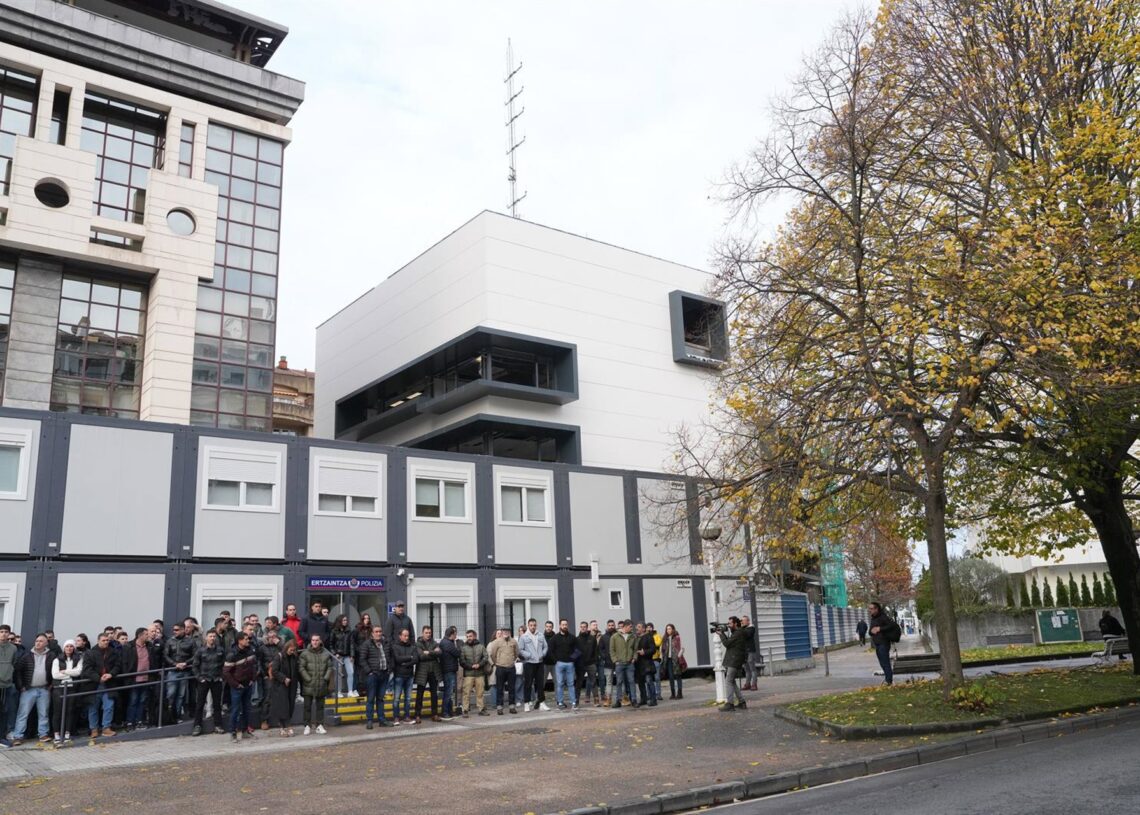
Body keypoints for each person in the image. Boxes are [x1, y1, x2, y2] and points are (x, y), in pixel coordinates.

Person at [8, 633, 53, 745]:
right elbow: (17, 671)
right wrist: (21, 686)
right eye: (37, 641)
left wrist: (51, 685)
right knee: (23, 713)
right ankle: (18, 736)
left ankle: (43, 734)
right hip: (28, 689)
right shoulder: (27, 655)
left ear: (46, 643)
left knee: (44, 713)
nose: (38, 643)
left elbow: (54, 671)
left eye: (41, 641)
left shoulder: (51, 656)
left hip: (44, 689)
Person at [120, 626, 160, 731]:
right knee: (133, 701)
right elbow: (124, 663)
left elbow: (153, 661)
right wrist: (127, 677)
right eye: (146, 634)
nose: (148, 636)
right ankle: (130, 722)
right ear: (140, 636)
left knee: (142, 701)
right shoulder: (129, 646)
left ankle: (139, 721)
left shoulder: (149, 646)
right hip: (134, 679)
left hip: (146, 678)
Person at [82, 632, 121, 737]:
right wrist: (98, 678)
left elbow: (118, 665)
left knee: (109, 706)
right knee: (93, 707)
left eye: (107, 640)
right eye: (103, 640)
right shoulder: (90, 653)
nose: (106, 642)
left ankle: (106, 728)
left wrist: (111, 674)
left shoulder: (113, 652)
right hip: (94, 684)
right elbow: (87, 670)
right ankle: (94, 729)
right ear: (98, 640)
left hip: (109, 683)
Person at [223, 631, 258, 742]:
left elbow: (253, 666)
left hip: (248, 684)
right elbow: (226, 673)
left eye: (248, 639)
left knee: (247, 709)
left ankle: (245, 731)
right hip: (237, 687)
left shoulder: (250, 651)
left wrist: (253, 679)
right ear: (240, 640)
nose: (248, 641)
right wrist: (236, 684)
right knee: (236, 710)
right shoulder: (232, 654)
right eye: (246, 639)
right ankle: (233, 732)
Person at [190, 629, 226, 736]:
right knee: (200, 704)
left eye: (214, 636)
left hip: (216, 680)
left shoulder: (220, 650)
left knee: (217, 704)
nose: (212, 638)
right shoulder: (200, 651)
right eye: (210, 636)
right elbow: (195, 666)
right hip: (204, 680)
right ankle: (197, 726)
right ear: (206, 638)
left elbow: (225, 665)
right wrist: (199, 678)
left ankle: (218, 725)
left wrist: (222, 677)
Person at [51, 639, 84, 745]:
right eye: (67, 646)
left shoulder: (78, 658)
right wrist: (71, 673)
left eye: (71, 646)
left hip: (71, 687)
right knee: (57, 711)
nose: (69, 648)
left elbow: (79, 672)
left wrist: (65, 671)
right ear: (64, 648)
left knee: (70, 711)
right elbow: (55, 675)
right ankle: (56, 734)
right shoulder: (57, 659)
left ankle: (67, 733)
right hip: (59, 688)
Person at [357, 625, 391, 729]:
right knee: (371, 699)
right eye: (376, 632)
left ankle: (382, 720)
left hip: (384, 674)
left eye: (380, 631)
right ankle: (370, 720)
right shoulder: (367, 644)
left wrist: (389, 670)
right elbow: (362, 659)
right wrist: (369, 671)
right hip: (372, 675)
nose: (379, 633)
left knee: (380, 699)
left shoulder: (385, 643)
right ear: (372, 633)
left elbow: (391, 657)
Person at [298, 634, 333, 735]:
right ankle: (307, 725)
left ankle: (319, 725)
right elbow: (301, 667)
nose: (315, 642)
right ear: (311, 641)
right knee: (307, 706)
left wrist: (325, 678)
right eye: (313, 640)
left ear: (320, 641)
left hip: (321, 684)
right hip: (308, 684)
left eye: (317, 640)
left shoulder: (326, 654)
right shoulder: (305, 653)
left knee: (320, 706)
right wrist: (308, 678)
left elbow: (330, 667)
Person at [163, 621, 196, 723]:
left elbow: (195, 655)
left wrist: (185, 663)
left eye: (177, 630)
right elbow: (165, 655)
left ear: (183, 630)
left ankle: (177, 717)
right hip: (172, 671)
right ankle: (168, 717)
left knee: (181, 695)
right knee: (171, 694)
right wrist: (174, 664)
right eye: (173, 630)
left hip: (185, 671)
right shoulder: (170, 641)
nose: (174, 632)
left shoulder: (190, 641)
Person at [268, 637, 299, 736]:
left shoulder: (294, 657)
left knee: (290, 705)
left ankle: (287, 725)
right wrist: (284, 678)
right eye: (291, 650)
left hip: (291, 685)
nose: (292, 652)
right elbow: (274, 671)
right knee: (282, 706)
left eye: (294, 650)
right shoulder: (279, 656)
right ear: (287, 648)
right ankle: (283, 726)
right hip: (280, 686)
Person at [717, 617, 748, 712]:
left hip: (734, 660)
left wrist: (721, 634)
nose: (729, 625)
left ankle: (730, 704)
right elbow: (730, 643)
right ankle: (742, 702)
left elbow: (726, 643)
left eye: (730, 624)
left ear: (735, 624)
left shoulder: (738, 633)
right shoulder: (737, 632)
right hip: (735, 659)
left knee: (728, 681)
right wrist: (723, 634)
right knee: (732, 681)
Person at [518, 618, 550, 712]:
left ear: (536, 625)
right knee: (528, 684)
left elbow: (545, 646)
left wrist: (542, 654)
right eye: (531, 625)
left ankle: (542, 703)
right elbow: (520, 649)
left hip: (539, 663)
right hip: (529, 663)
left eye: (534, 625)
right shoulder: (524, 637)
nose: (533, 627)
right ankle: (527, 703)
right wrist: (529, 655)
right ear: (528, 626)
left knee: (540, 684)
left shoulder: (540, 635)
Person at [868, 602, 901, 686]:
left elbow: (893, 625)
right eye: (869, 609)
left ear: (876, 609)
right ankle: (887, 678)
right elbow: (871, 631)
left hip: (884, 643)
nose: (870, 610)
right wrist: (871, 632)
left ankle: (889, 680)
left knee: (885, 662)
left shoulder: (883, 617)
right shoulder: (873, 618)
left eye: (871, 609)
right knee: (882, 663)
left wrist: (880, 628)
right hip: (877, 644)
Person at [414, 625, 442, 723]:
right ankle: (417, 715)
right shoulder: (418, 643)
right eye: (426, 633)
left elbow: (439, 653)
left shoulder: (434, 642)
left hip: (433, 671)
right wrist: (433, 652)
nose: (428, 634)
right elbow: (421, 656)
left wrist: (427, 652)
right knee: (419, 694)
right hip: (422, 672)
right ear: (422, 633)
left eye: (429, 633)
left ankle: (434, 714)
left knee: (434, 694)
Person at [487, 627, 518, 715]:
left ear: (510, 633)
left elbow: (516, 653)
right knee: (499, 688)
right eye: (504, 632)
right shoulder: (496, 642)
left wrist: (512, 660)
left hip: (511, 667)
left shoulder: (514, 641)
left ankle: (512, 706)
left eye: (507, 631)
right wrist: (497, 663)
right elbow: (493, 654)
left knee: (512, 688)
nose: (506, 633)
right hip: (500, 667)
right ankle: (499, 707)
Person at [390, 628, 418, 724]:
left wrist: (405, 663)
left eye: (408, 636)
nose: (407, 637)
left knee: (408, 698)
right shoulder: (395, 646)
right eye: (405, 635)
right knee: (397, 698)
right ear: (400, 636)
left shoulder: (412, 646)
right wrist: (409, 658)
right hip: (399, 675)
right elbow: (397, 659)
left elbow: (415, 659)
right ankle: (396, 717)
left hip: (409, 675)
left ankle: (407, 716)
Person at [459, 629, 489, 717]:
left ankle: (481, 709)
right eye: (467, 636)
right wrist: (471, 666)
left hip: (480, 673)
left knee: (480, 692)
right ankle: (465, 710)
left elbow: (486, 657)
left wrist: (479, 665)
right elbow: (462, 661)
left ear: (475, 636)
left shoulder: (481, 646)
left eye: (470, 636)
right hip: (468, 674)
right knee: (466, 693)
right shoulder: (463, 648)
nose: (469, 638)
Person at [549, 619, 578, 710]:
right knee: (560, 684)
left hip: (570, 664)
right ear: (560, 626)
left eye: (566, 624)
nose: (564, 626)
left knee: (571, 684)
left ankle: (573, 702)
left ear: (567, 625)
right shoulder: (555, 638)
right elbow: (551, 651)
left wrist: (572, 659)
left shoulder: (572, 637)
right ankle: (560, 702)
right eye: (563, 624)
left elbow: (577, 650)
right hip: (559, 664)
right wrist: (556, 661)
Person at [609, 620, 638, 709]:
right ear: (625, 627)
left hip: (630, 663)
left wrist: (634, 658)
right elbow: (612, 650)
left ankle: (633, 700)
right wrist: (615, 660)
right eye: (630, 627)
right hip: (619, 664)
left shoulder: (633, 636)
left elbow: (635, 649)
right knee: (619, 682)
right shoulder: (615, 636)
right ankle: (618, 701)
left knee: (632, 681)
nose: (632, 628)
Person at [256, 629, 281, 729]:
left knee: (280, 698)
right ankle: (264, 720)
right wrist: (264, 675)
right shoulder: (262, 648)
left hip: (279, 675)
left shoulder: (279, 647)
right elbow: (259, 662)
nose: (272, 639)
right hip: (267, 675)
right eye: (270, 637)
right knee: (268, 698)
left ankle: (281, 719)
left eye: (274, 637)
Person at [327, 614, 356, 698]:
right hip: (338, 656)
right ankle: (338, 691)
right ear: (339, 621)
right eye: (344, 620)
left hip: (347, 655)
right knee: (338, 674)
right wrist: (335, 653)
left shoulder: (349, 630)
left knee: (351, 672)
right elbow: (330, 644)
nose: (345, 622)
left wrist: (352, 655)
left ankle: (350, 691)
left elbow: (351, 644)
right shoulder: (334, 631)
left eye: (346, 620)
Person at [0, 626, 19, 745]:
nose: (3, 634)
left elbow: (14, 664)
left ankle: (1, 736)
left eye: (6, 632)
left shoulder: (13, 648)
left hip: (6, 685)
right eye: (1, 632)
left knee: (4, 711)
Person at [438, 626, 461, 720]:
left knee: (449, 692)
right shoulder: (447, 643)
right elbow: (457, 653)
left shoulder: (445, 642)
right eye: (455, 634)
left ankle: (449, 711)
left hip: (449, 669)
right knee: (448, 692)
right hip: (448, 670)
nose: (456, 636)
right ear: (452, 634)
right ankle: (445, 712)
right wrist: (456, 646)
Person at [576, 621, 600, 706]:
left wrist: (595, 660)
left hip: (591, 664)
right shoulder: (577, 639)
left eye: (584, 627)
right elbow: (576, 653)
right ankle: (576, 701)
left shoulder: (592, 638)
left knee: (593, 682)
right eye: (581, 627)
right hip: (580, 665)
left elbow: (596, 651)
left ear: (587, 628)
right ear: (580, 628)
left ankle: (596, 700)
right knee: (579, 683)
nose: (583, 628)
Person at [634, 623, 658, 707]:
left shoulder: (648, 637)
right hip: (638, 664)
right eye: (636, 627)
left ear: (644, 629)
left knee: (649, 681)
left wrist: (644, 652)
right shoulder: (636, 638)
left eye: (639, 627)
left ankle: (653, 700)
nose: (636, 628)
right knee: (640, 683)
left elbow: (653, 649)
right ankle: (643, 699)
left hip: (647, 663)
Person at [661, 623, 684, 700]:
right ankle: (673, 693)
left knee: (678, 675)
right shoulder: (665, 638)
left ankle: (679, 693)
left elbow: (682, 648)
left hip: (676, 659)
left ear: (673, 629)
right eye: (667, 629)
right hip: (668, 660)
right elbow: (663, 650)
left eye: (670, 628)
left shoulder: (677, 637)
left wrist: (679, 656)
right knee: (671, 677)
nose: (668, 630)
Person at [599, 620, 616, 707]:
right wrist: (604, 657)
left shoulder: (618, 636)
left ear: (615, 625)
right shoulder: (603, 637)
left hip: (618, 662)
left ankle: (623, 698)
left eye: (612, 625)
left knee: (621, 681)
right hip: (608, 663)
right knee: (609, 682)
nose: (611, 627)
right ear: (607, 626)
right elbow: (600, 649)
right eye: (609, 625)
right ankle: (608, 699)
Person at [740, 616, 758, 691]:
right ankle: (747, 684)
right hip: (744, 651)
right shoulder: (742, 629)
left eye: (744, 621)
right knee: (746, 669)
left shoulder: (751, 628)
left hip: (750, 650)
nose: (742, 622)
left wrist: (741, 628)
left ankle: (754, 684)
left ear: (748, 621)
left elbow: (747, 635)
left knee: (752, 668)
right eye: (742, 621)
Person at [647, 623, 664, 700]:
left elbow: (658, 643)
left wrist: (650, 644)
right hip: (648, 660)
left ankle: (658, 694)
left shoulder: (657, 636)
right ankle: (649, 694)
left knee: (657, 678)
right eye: (647, 628)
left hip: (656, 659)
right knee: (648, 679)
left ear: (653, 628)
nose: (649, 629)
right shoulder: (645, 636)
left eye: (650, 627)